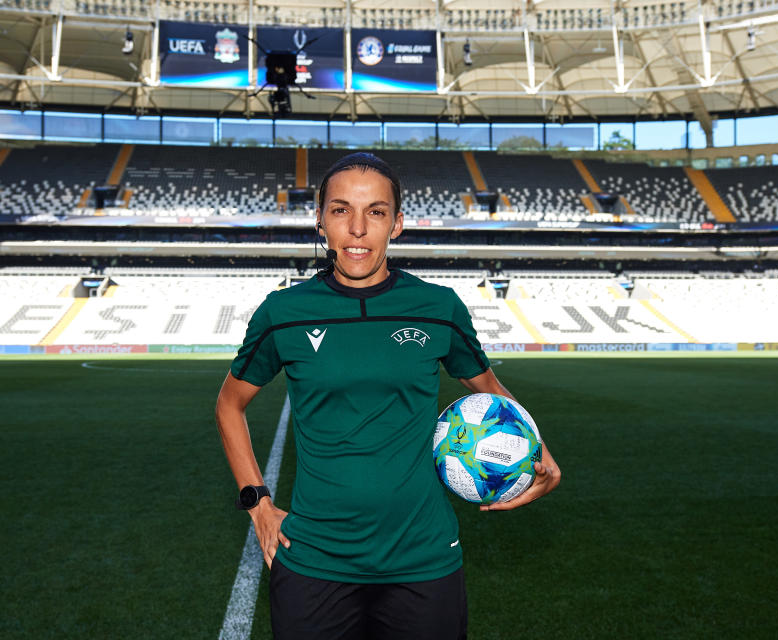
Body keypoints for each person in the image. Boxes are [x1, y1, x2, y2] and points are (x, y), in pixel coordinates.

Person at [216, 152, 561, 639]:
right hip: (314, 559)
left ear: (397, 224)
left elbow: (487, 388)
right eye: (340, 210)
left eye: (375, 212)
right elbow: (229, 403)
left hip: (423, 559)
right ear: (320, 220)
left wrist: (537, 449)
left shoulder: (438, 308)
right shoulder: (283, 313)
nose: (357, 228)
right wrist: (257, 502)